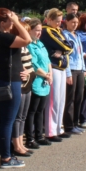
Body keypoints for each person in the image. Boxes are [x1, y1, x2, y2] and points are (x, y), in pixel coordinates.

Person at [0, 8, 31, 168]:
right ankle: (6, 157)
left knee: (3, 121)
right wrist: (17, 22)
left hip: (4, 81)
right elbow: (27, 40)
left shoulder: (0, 37)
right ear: (3, 23)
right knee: (7, 121)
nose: (13, 23)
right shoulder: (4, 36)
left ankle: (6, 154)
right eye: (10, 21)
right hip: (9, 82)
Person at [40, 9, 73, 140]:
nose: (59, 24)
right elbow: (66, 46)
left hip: (62, 67)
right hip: (53, 67)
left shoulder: (58, 31)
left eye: (60, 21)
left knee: (61, 100)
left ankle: (59, 128)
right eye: (57, 21)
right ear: (50, 20)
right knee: (53, 101)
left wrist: (63, 50)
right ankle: (51, 130)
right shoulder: (47, 30)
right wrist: (63, 49)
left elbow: (70, 47)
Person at [25, 18, 52, 148]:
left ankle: (39, 135)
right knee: (32, 110)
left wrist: (50, 74)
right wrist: (45, 74)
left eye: (40, 30)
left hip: (45, 81)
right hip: (36, 80)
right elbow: (34, 64)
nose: (39, 33)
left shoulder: (41, 44)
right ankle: (30, 138)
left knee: (40, 110)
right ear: (30, 30)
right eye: (36, 30)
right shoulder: (29, 45)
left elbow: (47, 61)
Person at [13, 21, 35, 156]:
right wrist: (27, 72)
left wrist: (29, 72)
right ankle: (17, 145)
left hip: (28, 84)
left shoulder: (26, 48)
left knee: (23, 116)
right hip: (20, 85)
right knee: (18, 117)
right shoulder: (17, 47)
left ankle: (21, 143)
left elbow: (30, 66)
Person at [62, 13, 86, 135]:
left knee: (79, 97)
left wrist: (84, 69)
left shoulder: (77, 35)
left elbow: (81, 54)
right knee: (70, 98)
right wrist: (67, 73)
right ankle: (69, 125)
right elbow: (65, 55)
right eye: (72, 22)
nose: (75, 25)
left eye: (77, 23)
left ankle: (75, 123)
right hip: (71, 69)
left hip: (79, 69)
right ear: (66, 22)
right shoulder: (65, 35)